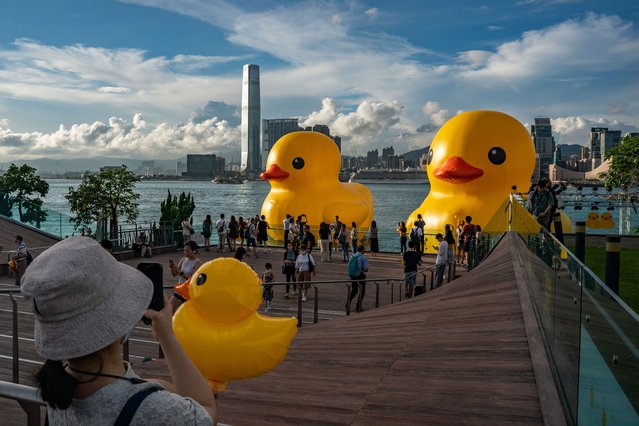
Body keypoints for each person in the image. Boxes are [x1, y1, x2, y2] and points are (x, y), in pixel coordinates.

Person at [21, 237, 216, 424]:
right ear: (116, 322)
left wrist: (146, 385)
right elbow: (206, 411)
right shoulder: (152, 409)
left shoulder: (57, 390)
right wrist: (167, 336)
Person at [168, 241, 202, 313]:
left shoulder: (197, 262)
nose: (185, 252)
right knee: (170, 307)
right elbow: (175, 274)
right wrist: (172, 267)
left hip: (188, 291)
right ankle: (172, 323)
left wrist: (180, 272)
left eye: (187, 250)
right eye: (184, 250)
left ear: (194, 251)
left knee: (180, 311)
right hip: (180, 289)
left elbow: (193, 279)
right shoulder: (183, 259)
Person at [347, 245, 369, 313]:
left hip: (353, 275)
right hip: (360, 275)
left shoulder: (352, 256)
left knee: (354, 290)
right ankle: (358, 306)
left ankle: (347, 303)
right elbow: (365, 269)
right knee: (362, 290)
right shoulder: (363, 258)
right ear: (362, 250)